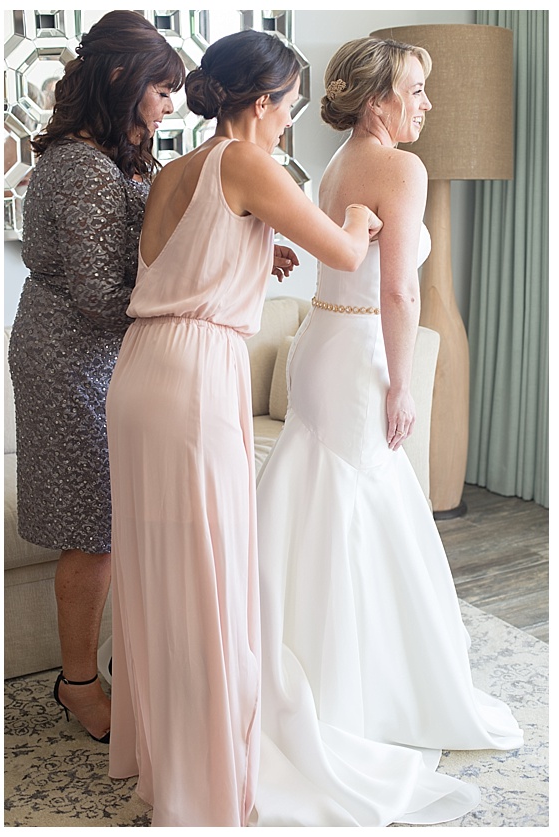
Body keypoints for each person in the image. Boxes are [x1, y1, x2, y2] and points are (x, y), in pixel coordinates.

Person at [103, 30, 380, 826]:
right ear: (261, 102)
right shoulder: (247, 161)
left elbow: (184, 262)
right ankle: (207, 778)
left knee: (161, 573)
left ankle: (166, 757)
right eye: (290, 103)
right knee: (208, 576)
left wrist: (259, 255)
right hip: (195, 377)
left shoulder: (178, 169)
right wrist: (358, 214)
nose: (291, 119)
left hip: (141, 370)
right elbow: (344, 251)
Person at [250, 36, 522, 826]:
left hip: (320, 345)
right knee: (354, 508)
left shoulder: (336, 162)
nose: (427, 105)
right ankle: (356, 696)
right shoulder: (400, 169)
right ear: (379, 101)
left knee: (320, 498)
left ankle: (297, 663)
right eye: (417, 89)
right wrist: (404, 383)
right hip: (362, 348)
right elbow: (400, 289)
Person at [7, 10, 185, 744]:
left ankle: (95, 671)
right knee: (94, 531)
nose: (170, 104)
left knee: (106, 522)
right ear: (121, 77)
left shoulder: (109, 157)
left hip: (97, 354)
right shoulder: (80, 167)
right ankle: (78, 684)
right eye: (162, 88)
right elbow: (97, 293)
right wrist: (187, 308)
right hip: (69, 356)